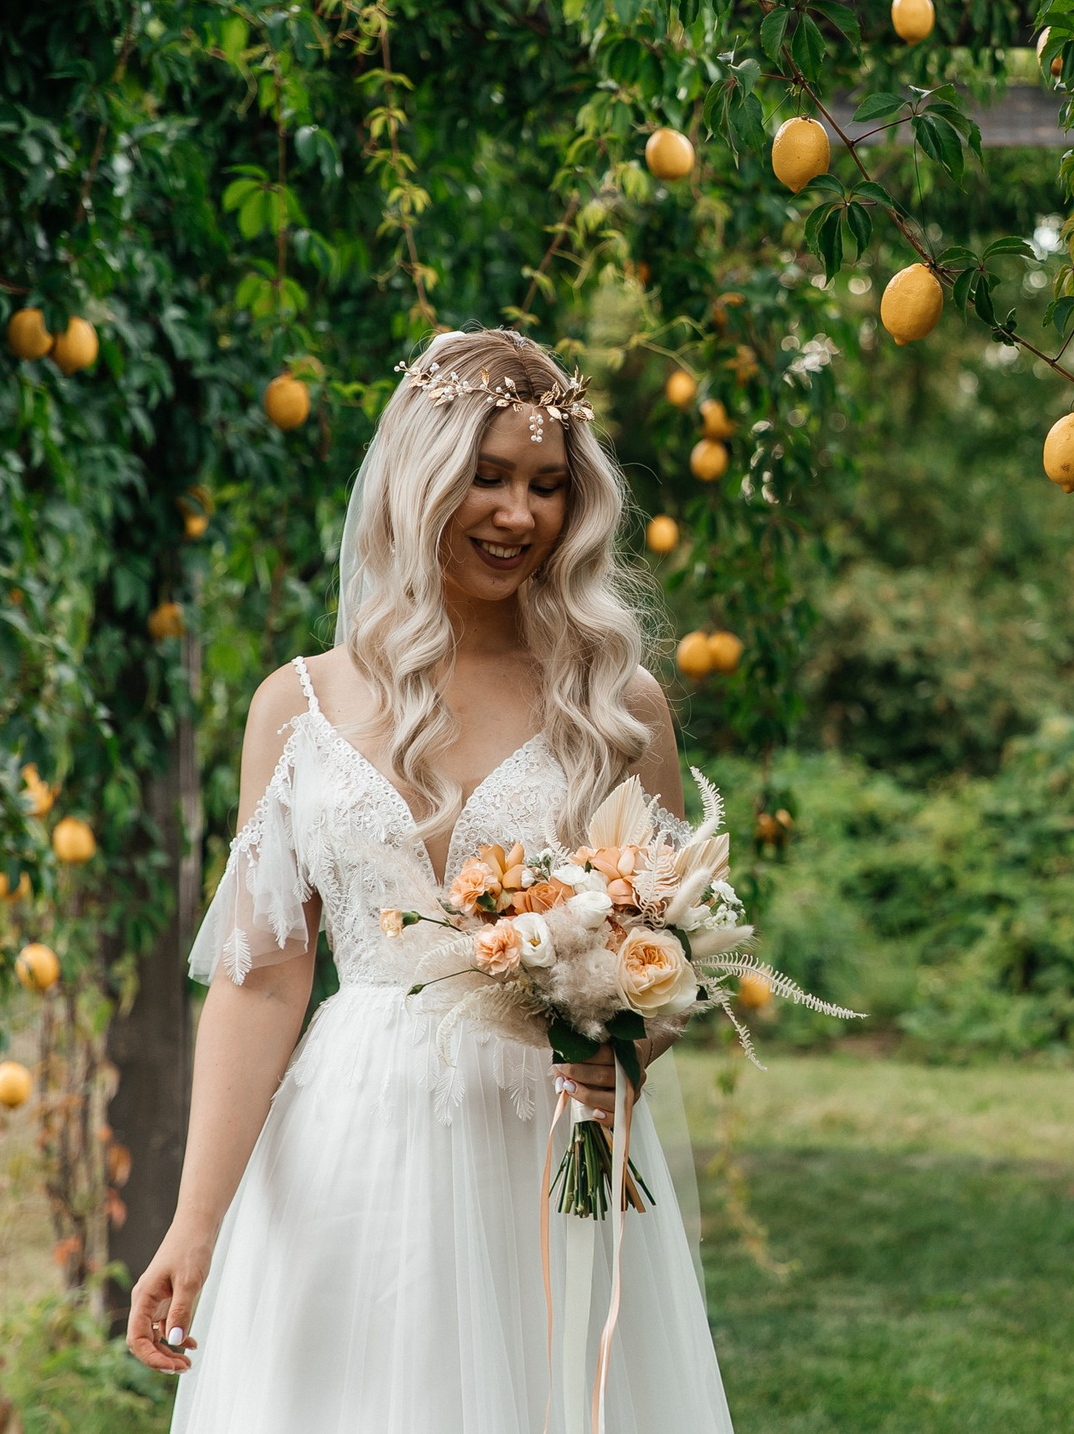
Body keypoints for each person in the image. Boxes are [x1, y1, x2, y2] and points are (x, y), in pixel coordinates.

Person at [126, 329, 734, 1432]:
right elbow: (262, 980)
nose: (519, 514)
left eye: (547, 485)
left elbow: (665, 947)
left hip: (543, 1142)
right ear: (419, 478)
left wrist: (630, 1048)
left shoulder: (616, 704)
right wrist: (195, 1221)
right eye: (487, 476)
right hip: (348, 1144)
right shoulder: (297, 705)